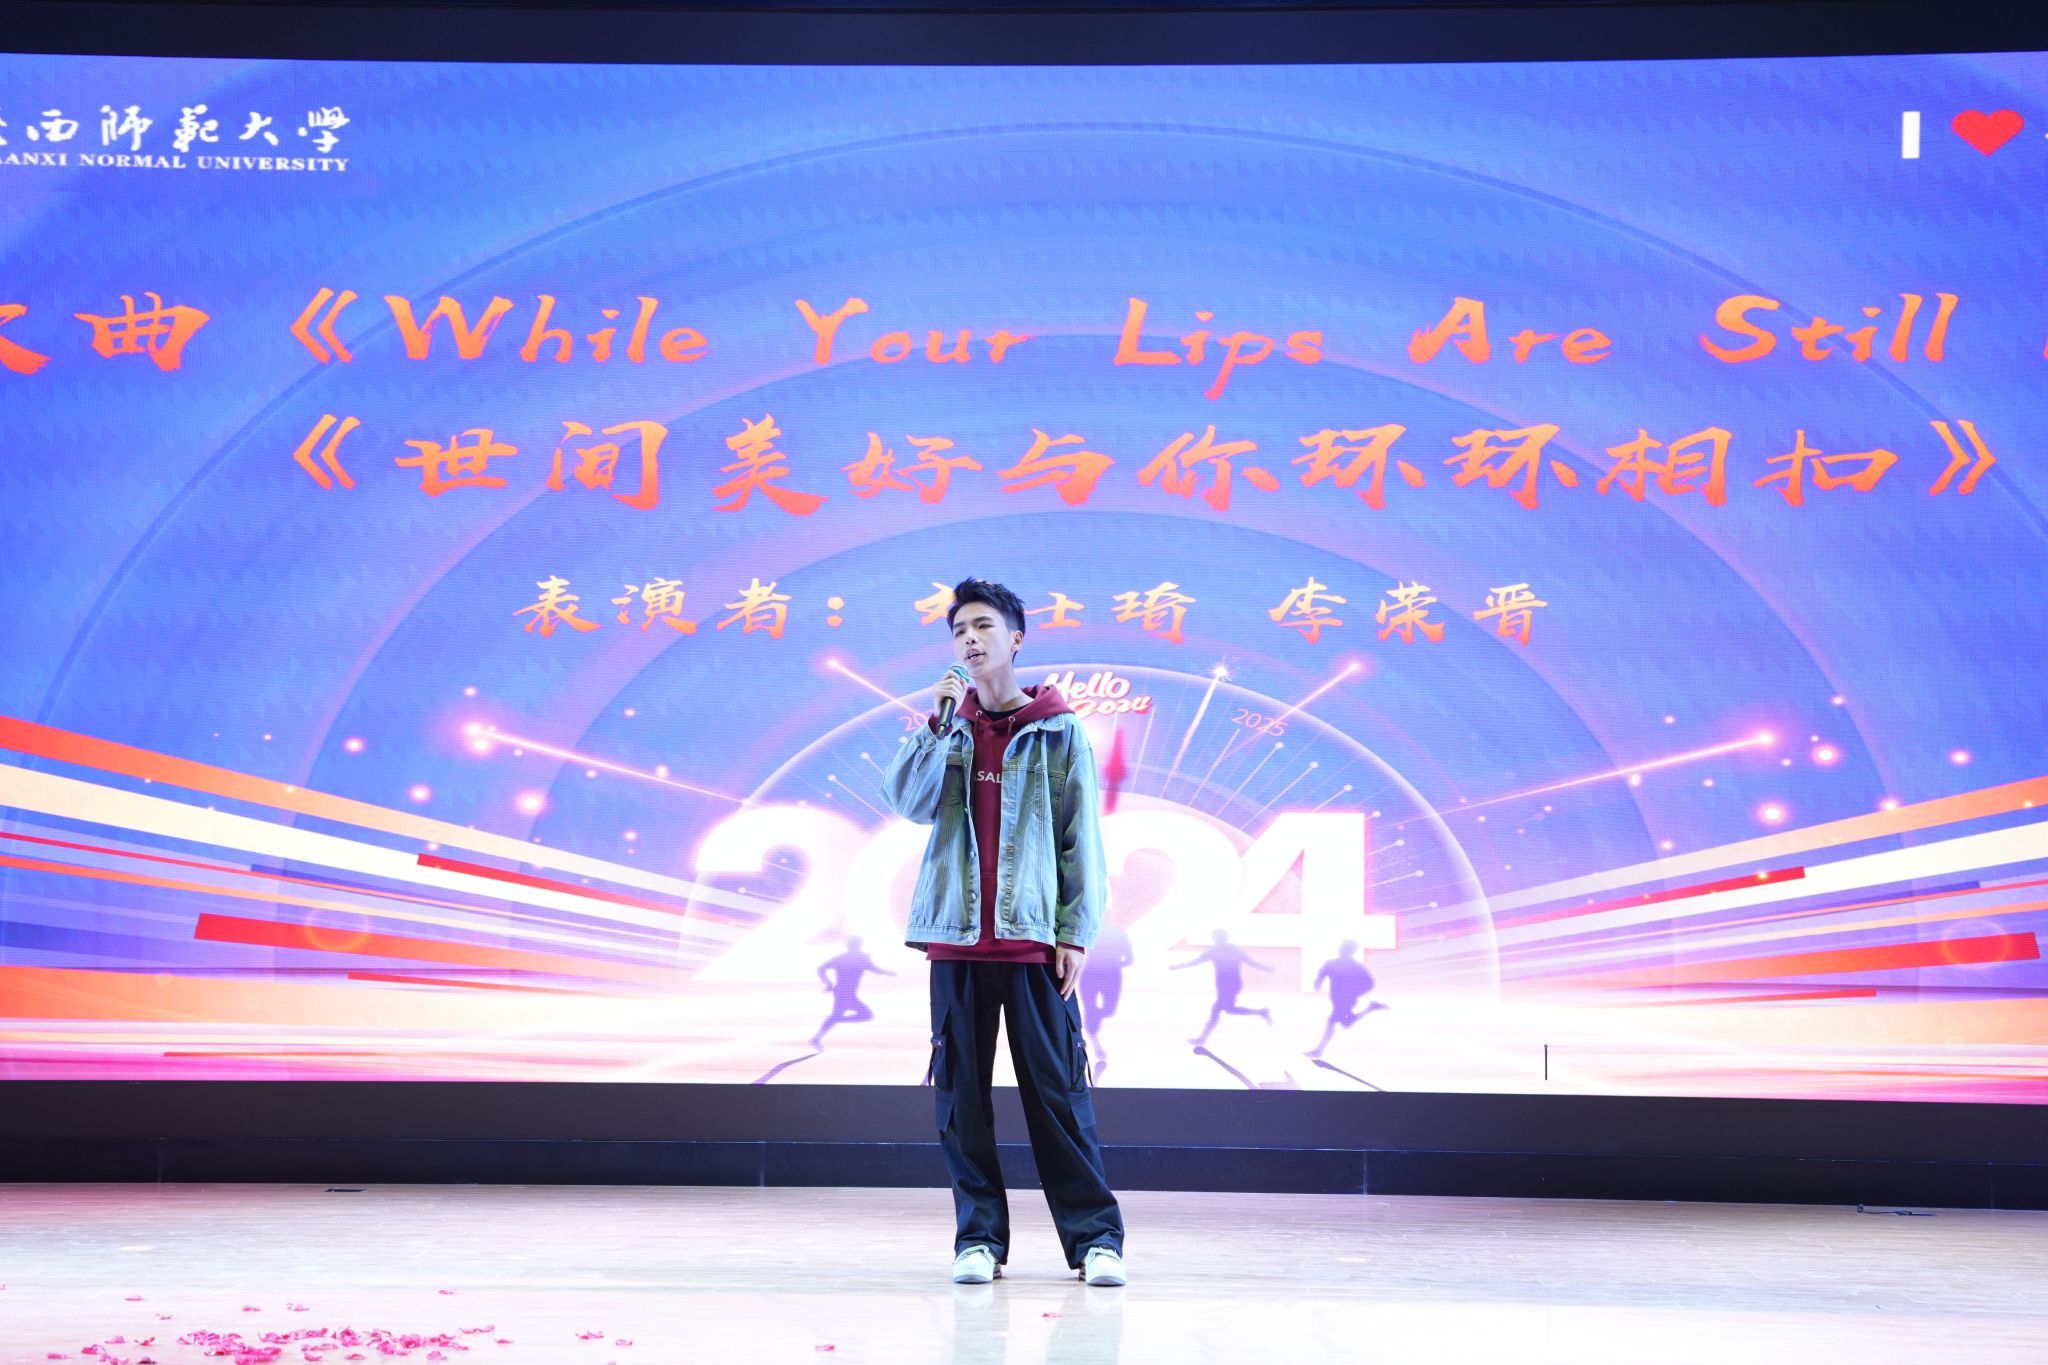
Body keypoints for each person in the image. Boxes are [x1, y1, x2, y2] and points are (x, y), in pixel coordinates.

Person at [880, 576, 1127, 1288]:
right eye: (960, 630)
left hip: (1032, 943)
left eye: (983, 626)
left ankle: (1096, 1240)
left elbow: (1081, 837)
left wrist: (1075, 931)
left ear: (1016, 638)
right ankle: (979, 1238)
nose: (970, 639)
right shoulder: (950, 728)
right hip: (955, 939)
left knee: (1057, 1095)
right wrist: (935, 725)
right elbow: (906, 801)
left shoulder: (1057, 729)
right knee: (962, 1099)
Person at [1172, 928, 1273, 1045]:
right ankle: (1261, 1012)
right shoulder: (1231, 949)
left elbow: (1195, 962)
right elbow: (1251, 962)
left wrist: (1177, 967)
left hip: (1227, 984)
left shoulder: (1215, 950)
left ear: (1214, 938)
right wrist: (1266, 968)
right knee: (1228, 1010)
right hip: (1232, 983)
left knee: (1217, 1010)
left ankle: (1202, 1039)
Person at [809, 936, 896, 1050]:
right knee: (866, 1015)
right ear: (859, 945)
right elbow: (875, 970)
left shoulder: (844, 957)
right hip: (844, 993)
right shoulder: (861, 957)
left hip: (843, 992)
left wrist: (828, 983)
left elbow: (821, 968)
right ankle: (820, 1034)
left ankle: (820, 1034)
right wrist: (888, 973)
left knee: (856, 1015)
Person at [1306, 938, 1387, 1060]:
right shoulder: (1335, 964)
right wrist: (1317, 982)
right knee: (1345, 1023)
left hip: (1347, 999)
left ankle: (1318, 1051)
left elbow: (1369, 982)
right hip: (1339, 998)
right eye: (1341, 947)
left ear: (1350, 951)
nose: (1341, 949)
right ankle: (1371, 1008)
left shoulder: (1353, 966)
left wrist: (1355, 992)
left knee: (1333, 1021)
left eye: (1344, 948)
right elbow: (1321, 974)